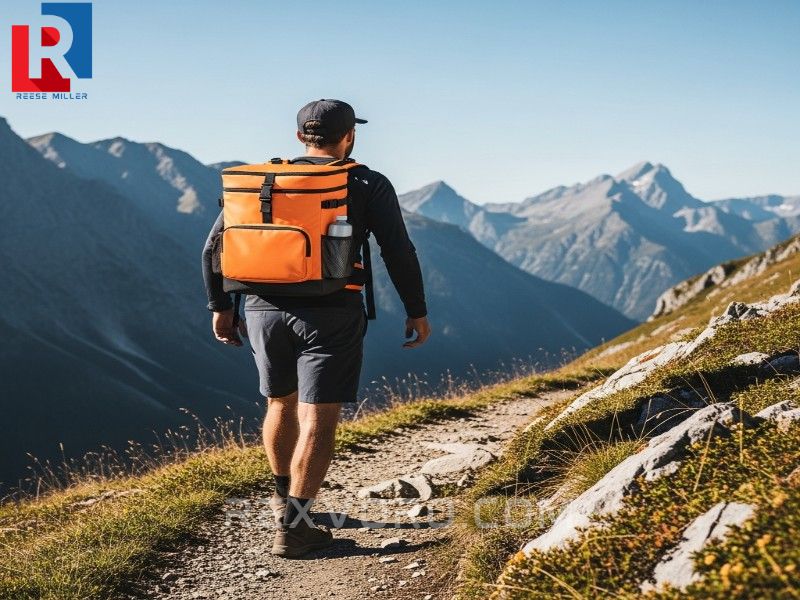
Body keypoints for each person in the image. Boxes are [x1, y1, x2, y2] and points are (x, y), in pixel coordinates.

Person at [201, 99, 431, 558]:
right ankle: (297, 528)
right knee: (319, 418)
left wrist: (220, 306)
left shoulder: (266, 180)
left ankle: (283, 501)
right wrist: (416, 310)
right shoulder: (365, 181)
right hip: (331, 312)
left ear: (300, 137)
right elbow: (398, 251)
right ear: (349, 136)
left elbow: (213, 247)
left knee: (279, 404)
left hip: (262, 309)